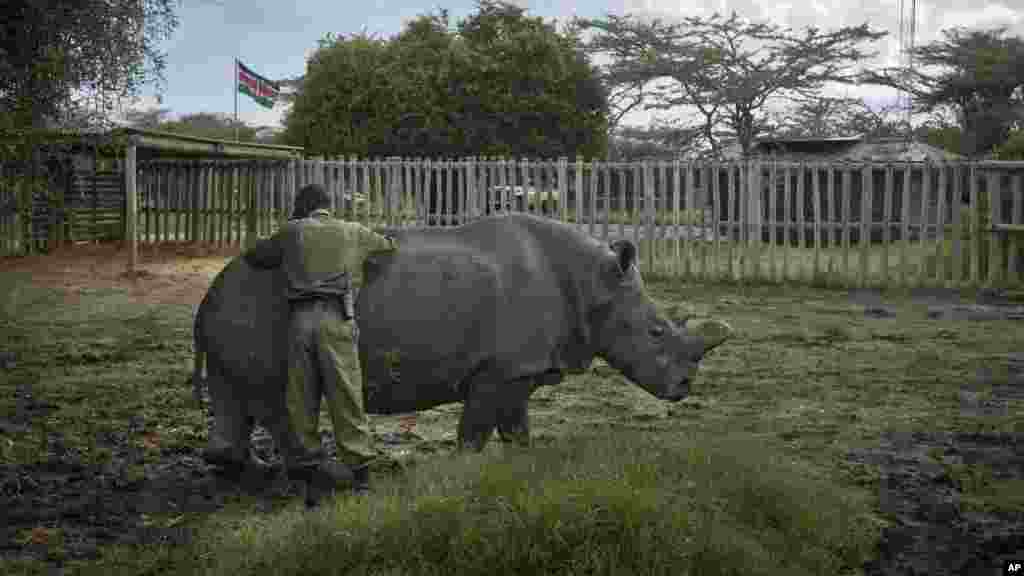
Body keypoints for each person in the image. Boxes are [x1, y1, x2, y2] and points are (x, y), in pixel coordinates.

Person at [243, 183, 396, 497]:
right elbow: (388, 248)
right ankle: (360, 473)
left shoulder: (291, 231)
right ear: (328, 206)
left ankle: (308, 470)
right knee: (346, 394)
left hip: (299, 321)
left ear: (303, 207)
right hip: (338, 318)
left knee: (301, 396)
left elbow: (257, 256)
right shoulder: (353, 231)